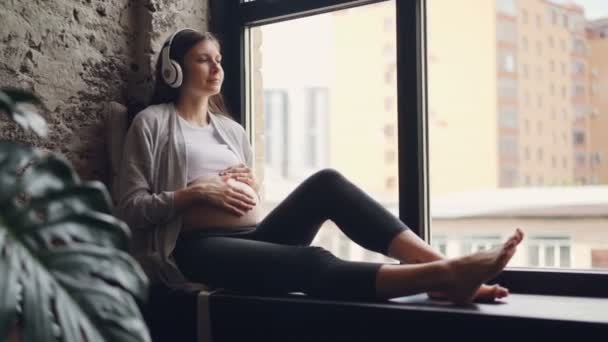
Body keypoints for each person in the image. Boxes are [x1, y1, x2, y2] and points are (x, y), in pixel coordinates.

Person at [117, 28, 524, 305]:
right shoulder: (151, 123)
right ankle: (443, 277)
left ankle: (435, 264)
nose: (217, 67)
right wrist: (197, 192)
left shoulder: (230, 130)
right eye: (203, 59)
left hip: (254, 237)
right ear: (174, 69)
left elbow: (244, 195)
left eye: (219, 59)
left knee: (327, 183)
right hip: (194, 251)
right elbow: (130, 209)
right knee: (310, 261)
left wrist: (248, 187)